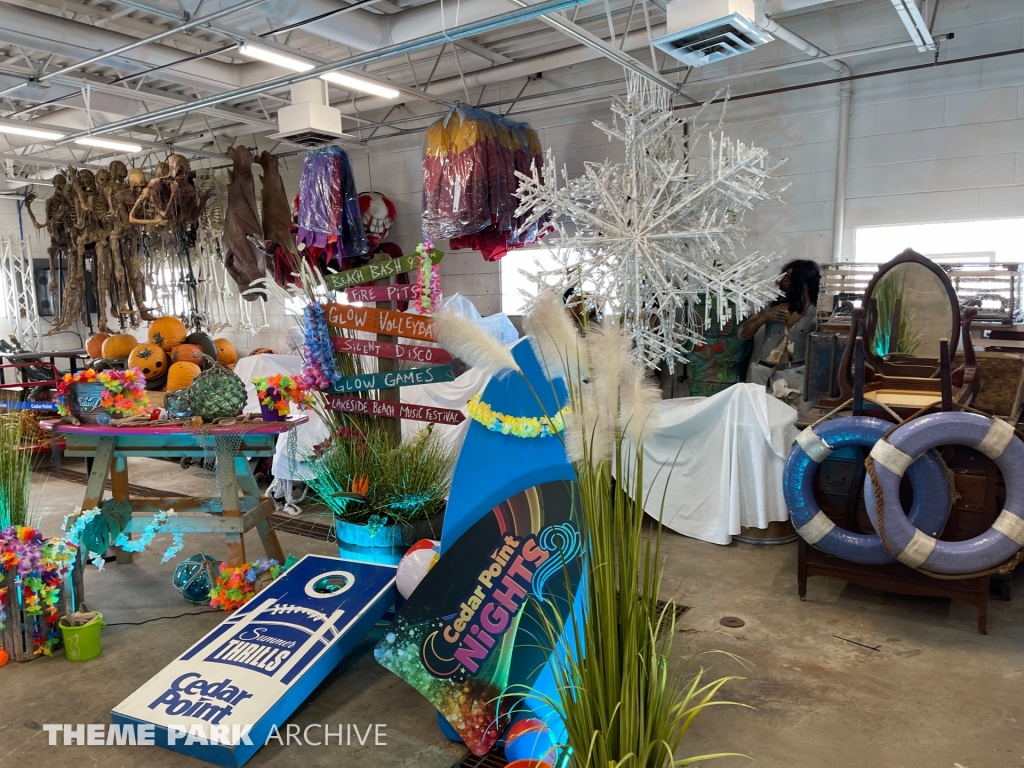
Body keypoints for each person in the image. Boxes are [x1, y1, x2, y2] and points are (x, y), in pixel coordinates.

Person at [740, 260, 820, 409]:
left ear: (804, 282)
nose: (780, 282)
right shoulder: (771, 307)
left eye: (788, 278)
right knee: (757, 418)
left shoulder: (818, 313)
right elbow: (743, 334)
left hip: (797, 376)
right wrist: (764, 317)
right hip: (761, 374)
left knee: (796, 422)